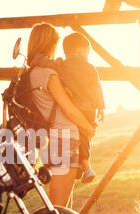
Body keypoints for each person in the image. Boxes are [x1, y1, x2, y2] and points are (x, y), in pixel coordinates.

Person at [26, 23, 95, 208]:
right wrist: (88, 127)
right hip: (65, 138)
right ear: (49, 44)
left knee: (64, 207)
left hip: (53, 140)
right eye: (55, 44)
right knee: (58, 209)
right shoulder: (48, 74)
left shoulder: (33, 72)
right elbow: (69, 108)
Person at [37, 32, 106, 184]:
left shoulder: (62, 65)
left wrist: (35, 59)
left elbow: (45, 62)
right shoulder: (90, 68)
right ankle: (85, 165)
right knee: (84, 136)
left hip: (73, 108)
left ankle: (83, 166)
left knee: (78, 135)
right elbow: (97, 89)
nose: (88, 56)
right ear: (81, 51)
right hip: (89, 109)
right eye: (87, 52)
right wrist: (101, 107)